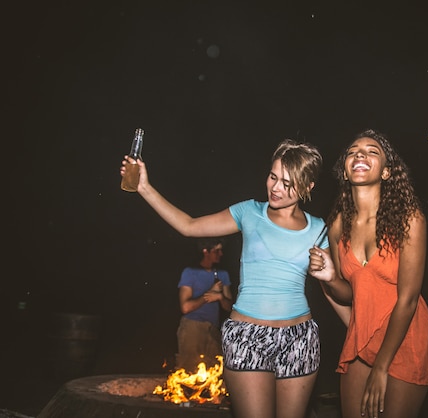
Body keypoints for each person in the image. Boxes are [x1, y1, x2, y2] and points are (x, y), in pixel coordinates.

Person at [120, 139, 328, 418]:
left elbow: (334, 287)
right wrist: (144, 188)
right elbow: (189, 226)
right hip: (247, 337)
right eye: (273, 177)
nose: (276, 188)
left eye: (288, 184)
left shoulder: (319, 229)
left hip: (299, 339)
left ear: (308, 186)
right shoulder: (249, 212)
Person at [308, 129, 428, 418]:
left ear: (386, 172)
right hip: (361, 337)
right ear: (346, 171)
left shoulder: (409, 218)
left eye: (372, 151)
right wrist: (329, 278)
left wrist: (382, 367)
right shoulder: (338, 225)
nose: (360, 154)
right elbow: (351, 293)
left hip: (406, 335)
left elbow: (408, 299)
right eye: (352, 151)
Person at [175, 237, 233, 373]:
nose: (221, 254)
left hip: (213, 329)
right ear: (205, 251)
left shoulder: (223, 275)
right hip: (192, 327)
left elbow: (229, 307)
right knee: (189, 373)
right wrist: (209, 295)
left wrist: (220, 297)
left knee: (213, 374)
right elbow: (185, 307)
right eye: (217, 251)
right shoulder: (190, 272)